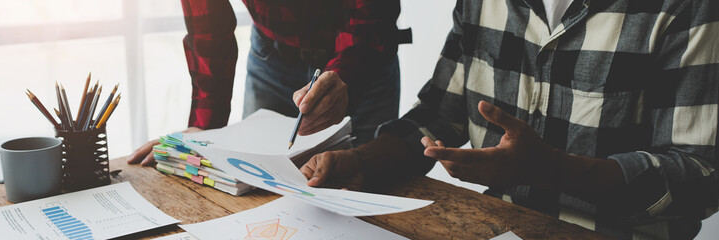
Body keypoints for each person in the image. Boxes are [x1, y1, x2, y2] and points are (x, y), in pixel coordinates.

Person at [299, 0, 719, 239]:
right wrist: (361, 161)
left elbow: (700, 177)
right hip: (498, 227)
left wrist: (555, 170)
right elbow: (439, 114)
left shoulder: (686, 8)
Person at [127, 0, 409, 165]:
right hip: (270, 55)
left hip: (363, 54)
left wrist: (345, 77)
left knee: (365, 182)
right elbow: (208, 30)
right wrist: (204, 129)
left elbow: (369, 13)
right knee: (255, 179)